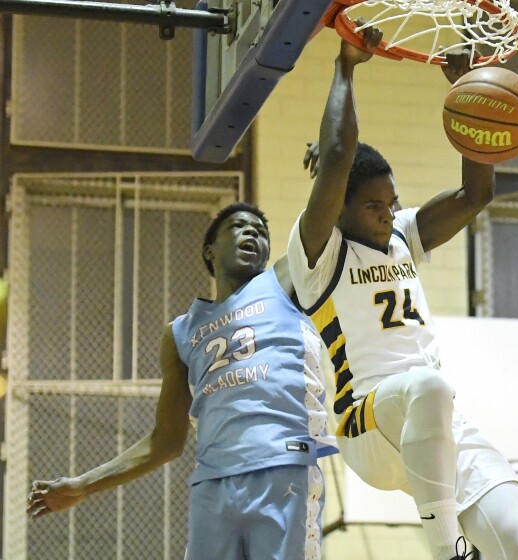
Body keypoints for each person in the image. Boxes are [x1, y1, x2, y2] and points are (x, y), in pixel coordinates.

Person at [286, 26, 518, 560]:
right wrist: (346, 66)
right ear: (342, 209)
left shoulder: (403, 234)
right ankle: (448, 552)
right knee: (427, 386)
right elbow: (337, 154)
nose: (386, 213)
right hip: (366, 423)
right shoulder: (318, 253)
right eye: (374, 205)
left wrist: (469, 92)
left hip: (433, 420)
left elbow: (477, 193)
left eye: (391, 201)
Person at [27, 202, 335, 560]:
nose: (252, 232)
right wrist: (84, 485)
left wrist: (335, 147)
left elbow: (325, 211)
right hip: (213, 483)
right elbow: (166, 441)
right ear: (210, 250)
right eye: (238, 226)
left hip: (282, 469)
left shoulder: (282, 283)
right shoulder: (180, 332)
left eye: (261, 231)